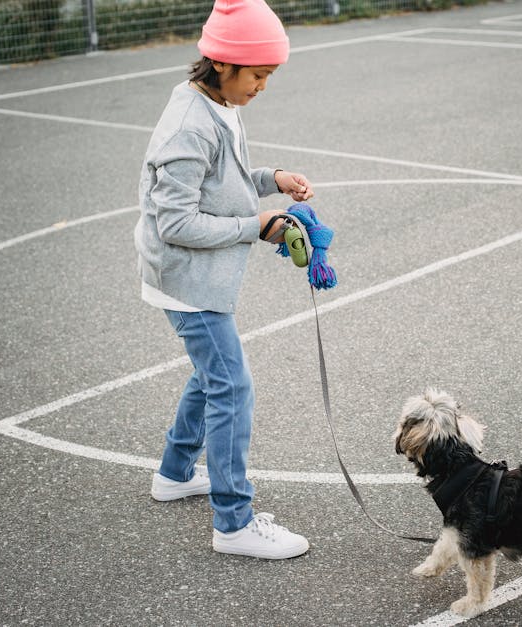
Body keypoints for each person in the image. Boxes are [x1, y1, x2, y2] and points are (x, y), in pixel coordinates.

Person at [134, 0, 312, 559]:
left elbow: (226, 181)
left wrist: (271, 178)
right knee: (232, 387)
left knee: (212, 374)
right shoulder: (189, 125)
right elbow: (176, 222)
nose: (263, 86)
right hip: (187, 279)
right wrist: (256, 226)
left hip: (201, 276)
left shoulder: (217, 104)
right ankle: (233, 523)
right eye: (258, 75)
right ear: (224, 63)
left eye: (270, 76)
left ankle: (175, 471)